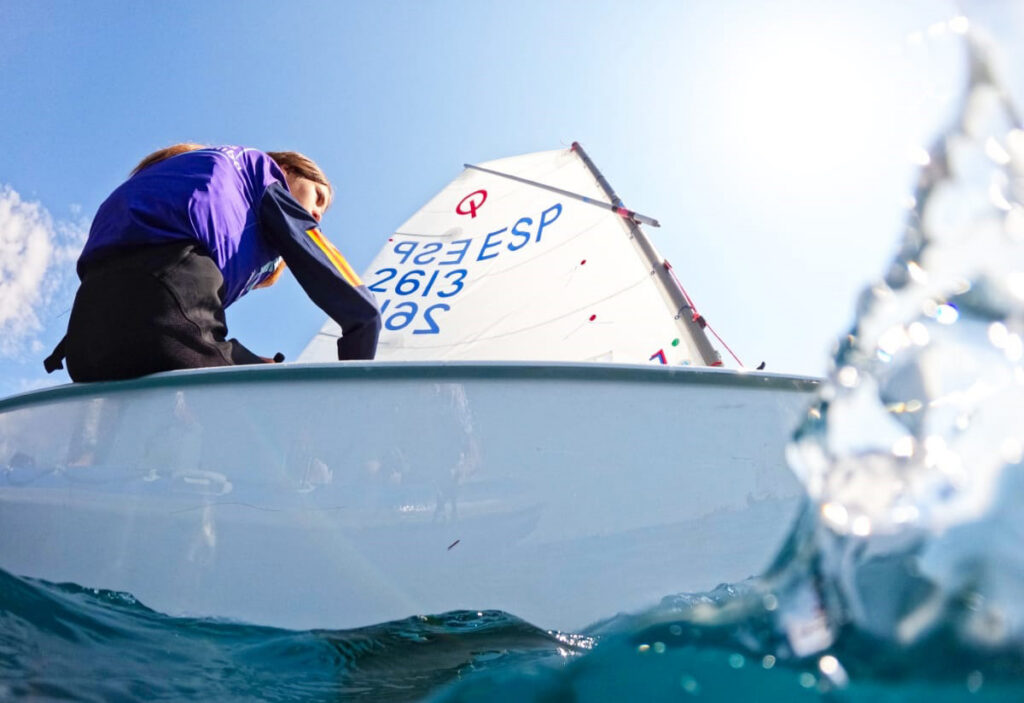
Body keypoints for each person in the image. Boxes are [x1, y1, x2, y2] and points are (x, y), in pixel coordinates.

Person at [44, 144, 381, 381]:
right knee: (272, 389)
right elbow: (350, 296)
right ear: (289, 170)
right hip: (162, 314)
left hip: (85, 345)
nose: (318, 214)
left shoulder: (204, 167)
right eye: (318, 197)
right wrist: (362, 343)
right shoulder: (263, 176)